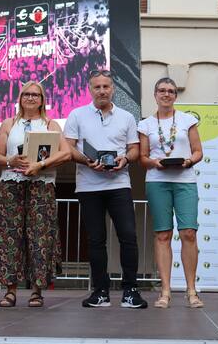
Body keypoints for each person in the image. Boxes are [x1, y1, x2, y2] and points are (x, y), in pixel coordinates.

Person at [64, 69, 147, 309]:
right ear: (90, 89)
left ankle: (130, 291)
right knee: (96, 240)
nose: (102, 91)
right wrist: (86, 160)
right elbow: (68, 148)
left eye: (106, 86)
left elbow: (134, 149)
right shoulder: (77, 115)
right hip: (88, 186)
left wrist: (125, 159)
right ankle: (100, 292)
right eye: (97, 87)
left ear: (113, 89)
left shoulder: (127, 117)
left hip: (119, 184)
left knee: (128, 237)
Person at [0, 81, 71, 307]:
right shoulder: (8, 123)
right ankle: (10, 291)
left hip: (41, 184)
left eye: (36, 94)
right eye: (26, 94)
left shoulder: (50, 124)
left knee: (39, 236)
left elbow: (66, 153)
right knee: (9, 235)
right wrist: (10, 160)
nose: (31, 98)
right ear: (20, 98)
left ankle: (37, 291)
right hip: (11, 185)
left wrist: (40, 165)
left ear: (42, 100)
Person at [138, 77, 203, 308]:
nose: (166, 94)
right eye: (162, 91)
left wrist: (188, 161)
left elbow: (198, 151)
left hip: (185, 181)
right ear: (155, 95)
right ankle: (165, 291)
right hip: (158, 181)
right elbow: (142, 157)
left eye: (171, 91)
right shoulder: (145, 124)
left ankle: (191, 291)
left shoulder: (188, 120)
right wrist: (154, 162)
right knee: (163, 235)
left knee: (189, 233)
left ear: (176, 95)